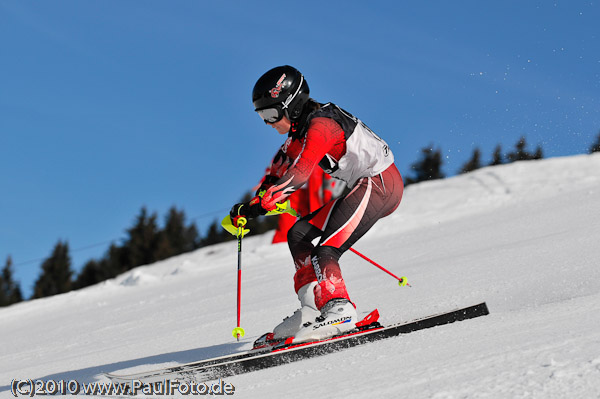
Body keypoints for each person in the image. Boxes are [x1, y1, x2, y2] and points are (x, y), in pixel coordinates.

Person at [230, 65, 403, 343]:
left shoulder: (321, 125)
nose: (268, 122)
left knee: (326, 250)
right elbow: (278, 169)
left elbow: (299, 174)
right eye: (262, 116)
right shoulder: (299, 133)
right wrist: (250, 206)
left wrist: (264, 204)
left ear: (291, 104)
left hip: (380, 183)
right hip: (366, 185)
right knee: (298, 234)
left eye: (271, 114)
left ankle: (340, 309)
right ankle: (313, 308)